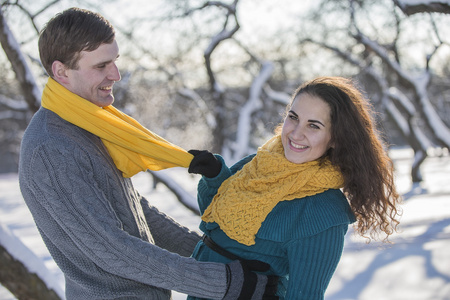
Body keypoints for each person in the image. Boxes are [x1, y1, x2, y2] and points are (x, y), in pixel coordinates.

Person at [18, 7, 278, 300]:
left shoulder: (88, 124)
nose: (115, 74)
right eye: (101, 66)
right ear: (61, 71)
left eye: (114, 61)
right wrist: (225, 282)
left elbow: (134, 212)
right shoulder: (52, 148)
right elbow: (112, 249)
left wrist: (214, 255)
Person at [187, 76, 402, 299]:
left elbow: (304, 295)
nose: (296, 133)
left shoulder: (323, 211)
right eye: (293, 117)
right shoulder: (260, 163)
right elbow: (213, 221)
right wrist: (214, 177)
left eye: (313, 125)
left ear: (336, 139)